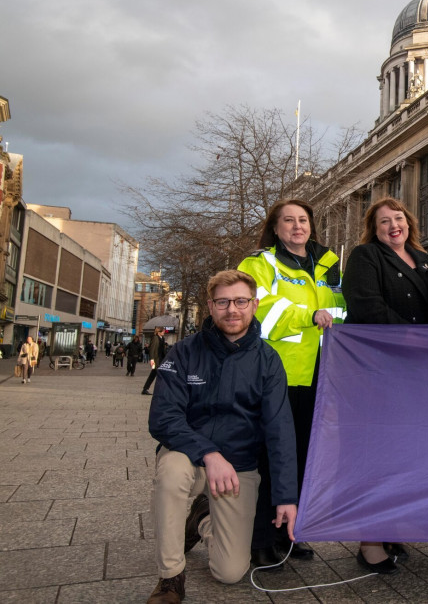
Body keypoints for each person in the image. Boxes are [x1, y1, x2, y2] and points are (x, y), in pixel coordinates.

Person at [146, 270, 298, 604]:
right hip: (189, 456)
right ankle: (171, 577)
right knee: (171, 474)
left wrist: (287, 497)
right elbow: (163, 418)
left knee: (230, 573)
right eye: (223, 302)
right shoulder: (184, 353)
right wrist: (210, 455)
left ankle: (202, 519)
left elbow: (280, 430)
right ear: (210, 307)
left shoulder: (269, 361)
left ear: (254, 305)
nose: (233, 310)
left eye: (241, 301)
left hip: (240, 467)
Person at [237, 198, 345, 567]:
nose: (297, 226)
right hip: (274, 375)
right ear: (276, 227)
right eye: (288, 221)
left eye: (303, 220)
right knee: (269, 458)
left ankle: (290, 532)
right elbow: (256, 308)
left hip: (318, 376)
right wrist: (308, 315)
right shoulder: (259, 263)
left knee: (301, 458)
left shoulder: (328, 265)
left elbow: (343, 312)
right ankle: (259, 536)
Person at [342, 197, 428, 574]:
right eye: (384, 222)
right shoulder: (366, 256)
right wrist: (413, 337)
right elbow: (365, 305)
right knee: (378, 455)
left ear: (409, 222)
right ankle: (369, 540)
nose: (393, 226)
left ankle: (391, 526)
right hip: (380, 372)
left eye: (398, 218)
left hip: (419, 377)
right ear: (375, 229)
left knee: (407, 455)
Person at [141, 327, 167, 395]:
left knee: (153, 374)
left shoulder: (162, 338)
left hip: (161, 359)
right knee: (158, 374)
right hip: (155, 359)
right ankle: (159, 390)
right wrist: (151, 359)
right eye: (163, 331)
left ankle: (145, 389)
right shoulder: (155, 338)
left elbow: (163, 350)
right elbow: (152, 349)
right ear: (159, 332)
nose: (164, 332)